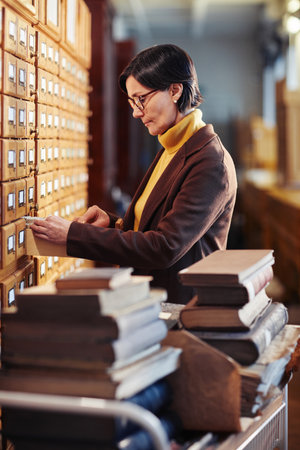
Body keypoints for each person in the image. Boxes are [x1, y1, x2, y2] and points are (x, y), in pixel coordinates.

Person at [31, 44, 237, 304]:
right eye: (132, 101)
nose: (136, 112)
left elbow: (165, 247)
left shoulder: (209, 162)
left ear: (175, 90)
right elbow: (159, 222)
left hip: (182, 310)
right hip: (153, 301)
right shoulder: (172, 146)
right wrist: (116, 223)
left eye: (142, 99)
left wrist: (74, 235)